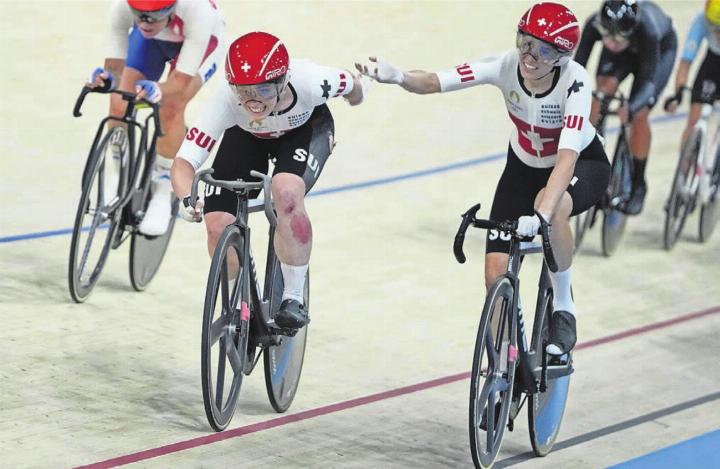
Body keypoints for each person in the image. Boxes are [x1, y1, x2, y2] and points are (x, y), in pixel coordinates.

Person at [356, 2, 610, 355]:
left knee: (551, 210)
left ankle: (564, 307)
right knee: (494, 275)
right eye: (526, 42)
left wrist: (541, 216)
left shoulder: (576, 82)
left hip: (582, 164)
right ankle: (506, 362)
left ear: (563, 57)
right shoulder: (505, 65)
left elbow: (566, 159)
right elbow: (434, 81)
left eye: (545, 50)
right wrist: (397, 75)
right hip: (522, 166)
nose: (531, 56)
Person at [171, 32, 368, 329]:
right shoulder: (226, 99)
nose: (253, 101)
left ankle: (292, 297)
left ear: (282, 81)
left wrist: (359, 93)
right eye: (243, 91)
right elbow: (184, 162)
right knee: (217, 223)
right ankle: (238, 302)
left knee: (286, 193)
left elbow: (353, 86)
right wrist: (187, 198)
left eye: (263, 90)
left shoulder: (311, 82)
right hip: (248, 136)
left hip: (306, 130)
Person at [86, 0, 224, 236]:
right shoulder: (121, 7)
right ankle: (119, 172)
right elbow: (114, 69)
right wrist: (107, 80)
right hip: (153, 44)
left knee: (170, 106)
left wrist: (157, 90)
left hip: (200, 43)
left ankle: (163, 188)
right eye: (138, 15)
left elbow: (179, 84)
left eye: (153, 15)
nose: (144, 22)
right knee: (119, 102)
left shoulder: (199, 13)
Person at [574, 0, 677, 215]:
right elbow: (576, 68)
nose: (610, 42)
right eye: (606, 36)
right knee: (599, 95)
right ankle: (593, 160)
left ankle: (639, 183)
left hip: (657, 50)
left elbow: (648, 82)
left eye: (616, 38)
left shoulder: (649, 30)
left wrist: (632, 107)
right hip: (622, 52)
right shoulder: (595, 23)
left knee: (638, 115)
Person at [665, 0, 720, 147]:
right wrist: (678, 94)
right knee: (693, 121)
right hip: (712, 64)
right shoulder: (702, 21)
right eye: (714, 28)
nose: (717, 34)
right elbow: (685, 62)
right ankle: (684, 166)